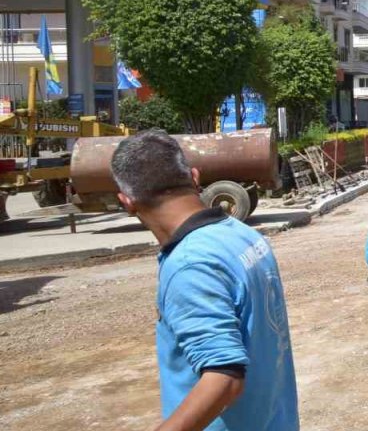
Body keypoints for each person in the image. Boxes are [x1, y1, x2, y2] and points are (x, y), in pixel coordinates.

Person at [110, 130, 298, 430]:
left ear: (127, 201)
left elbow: (224, 380)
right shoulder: (241, 234)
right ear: (195, 177)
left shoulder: (191, 264)